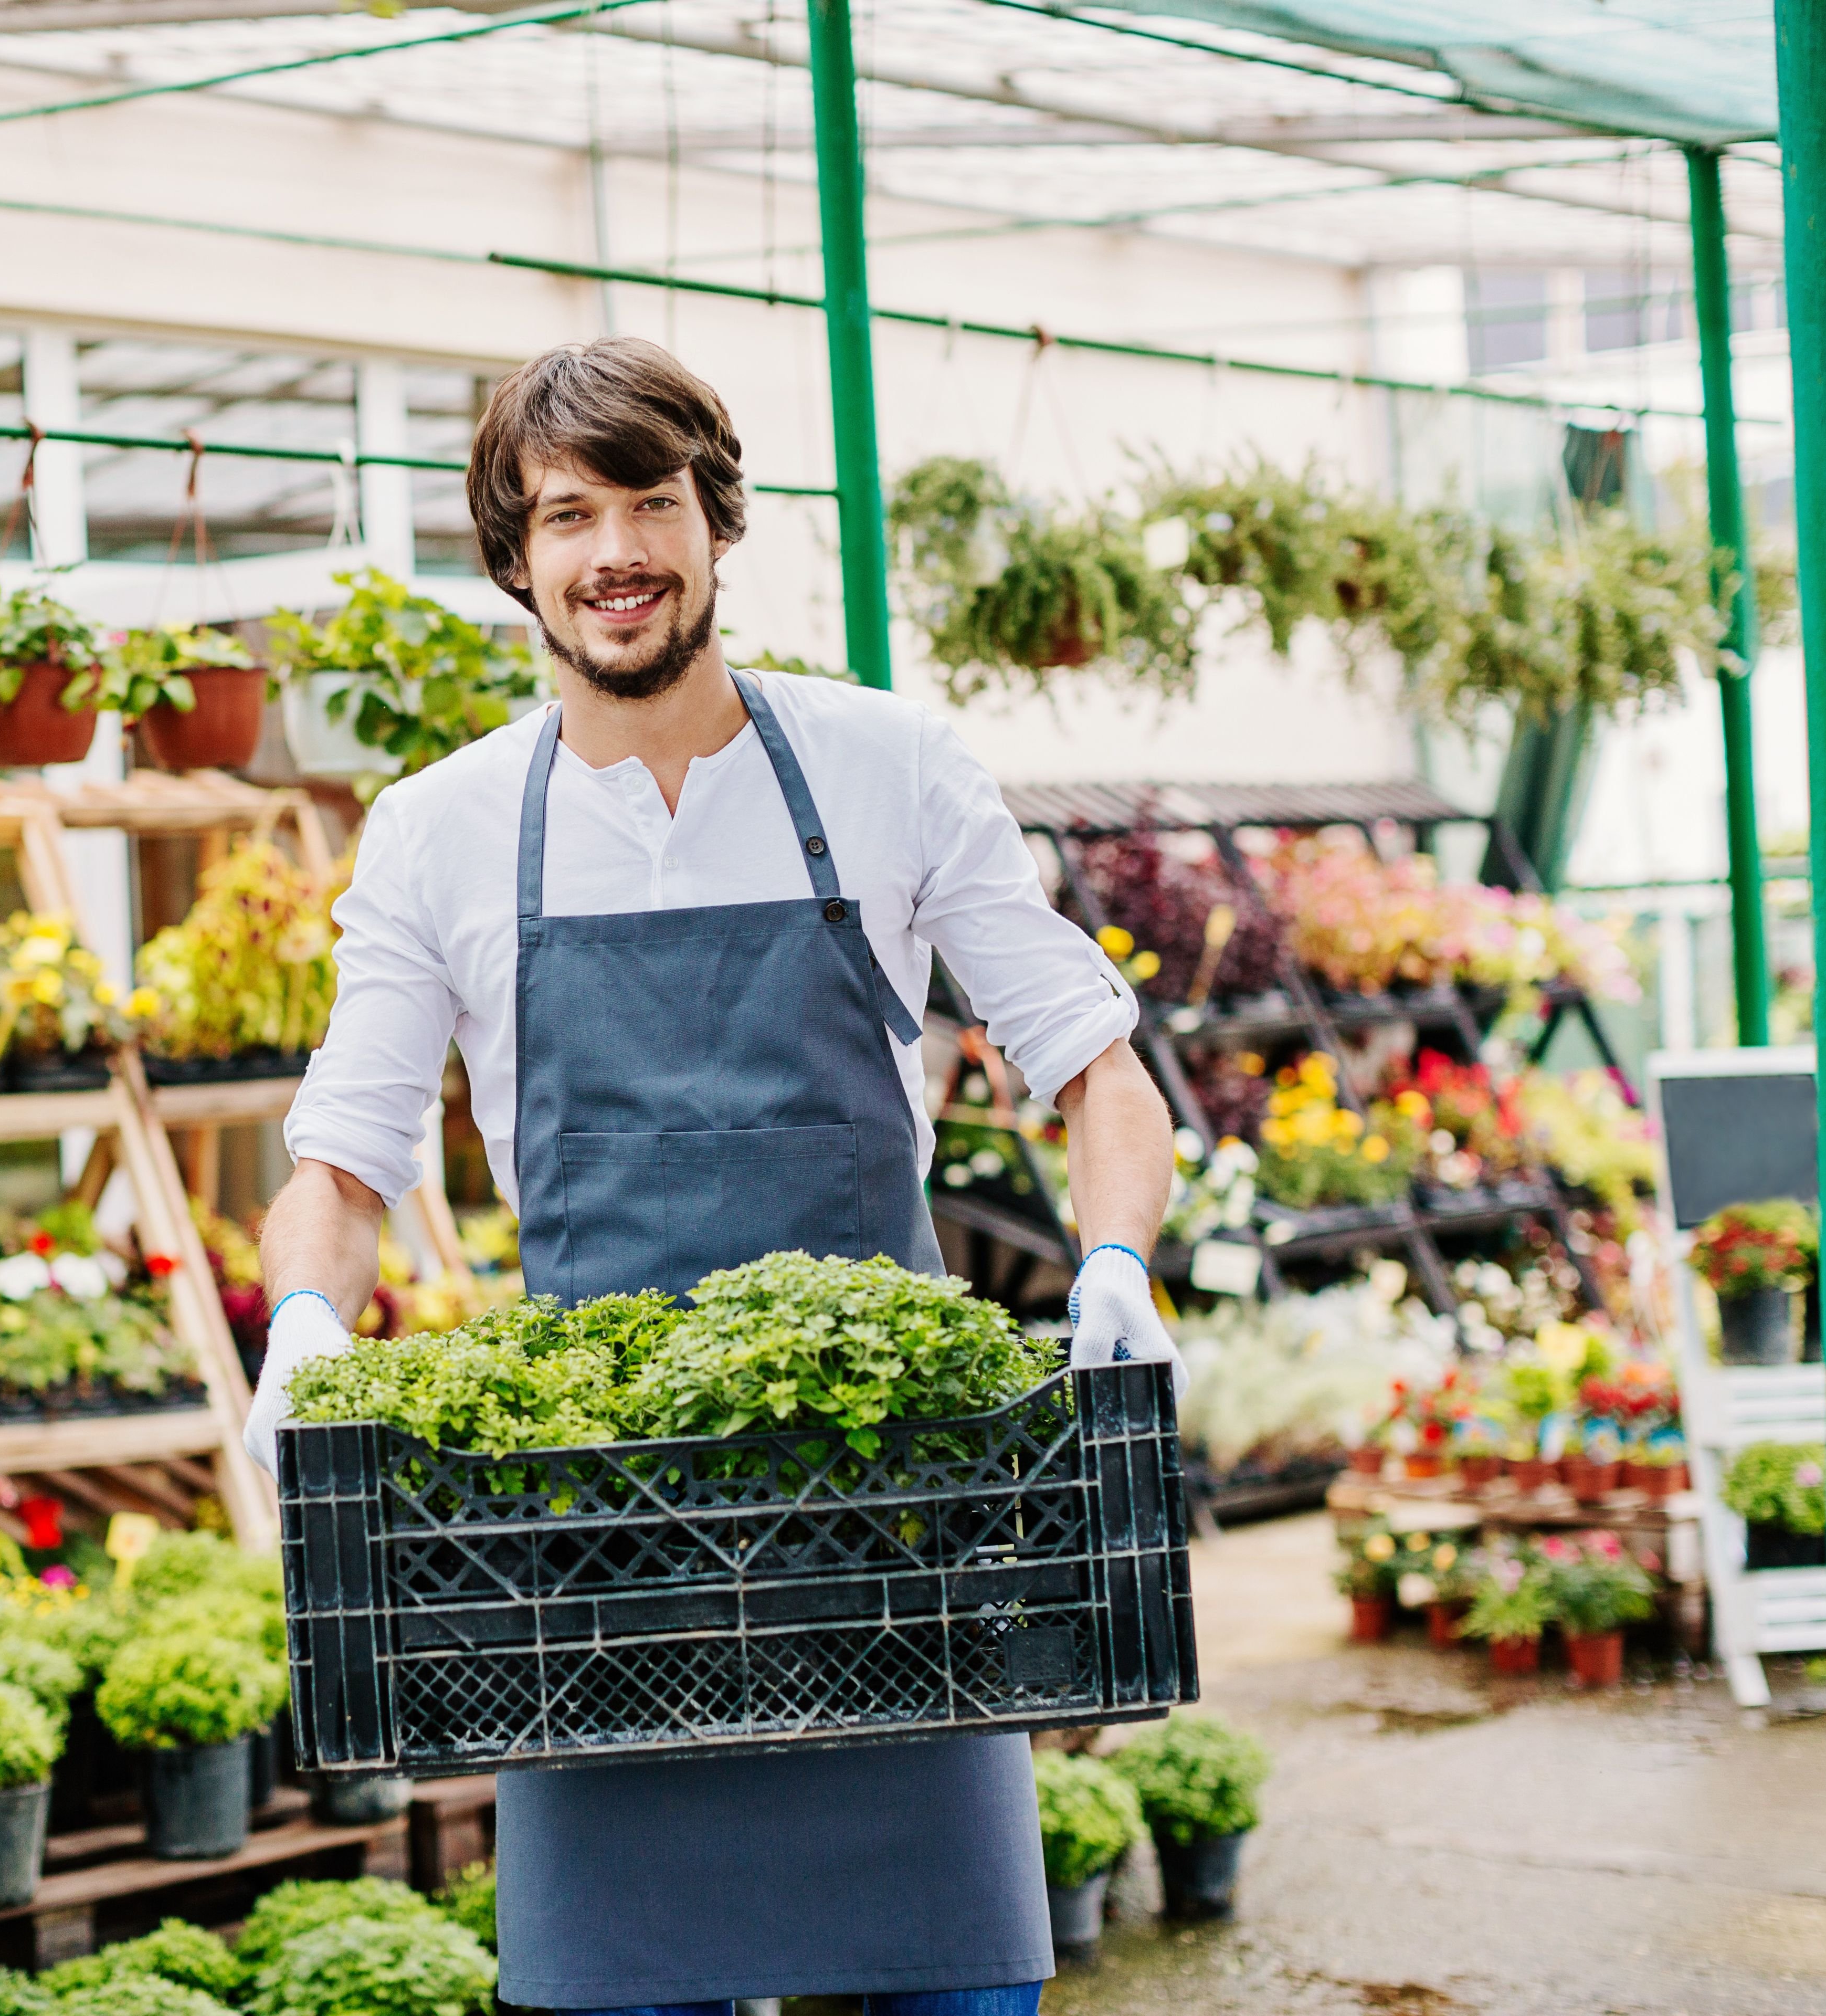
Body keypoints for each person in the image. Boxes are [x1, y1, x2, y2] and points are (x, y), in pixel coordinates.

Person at [242, 337, 1179, 2016]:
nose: (617, 551)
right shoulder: (442, 831)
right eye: (568, 514)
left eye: (652, 501)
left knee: (951, 1990)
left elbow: (1095, 1068)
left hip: (900, 1526)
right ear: (515, 558)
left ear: (717, 521)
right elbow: (346, 1152)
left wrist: (1115, 1265)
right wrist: (303, 1321)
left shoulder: (888, 769)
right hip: (597, 1559)